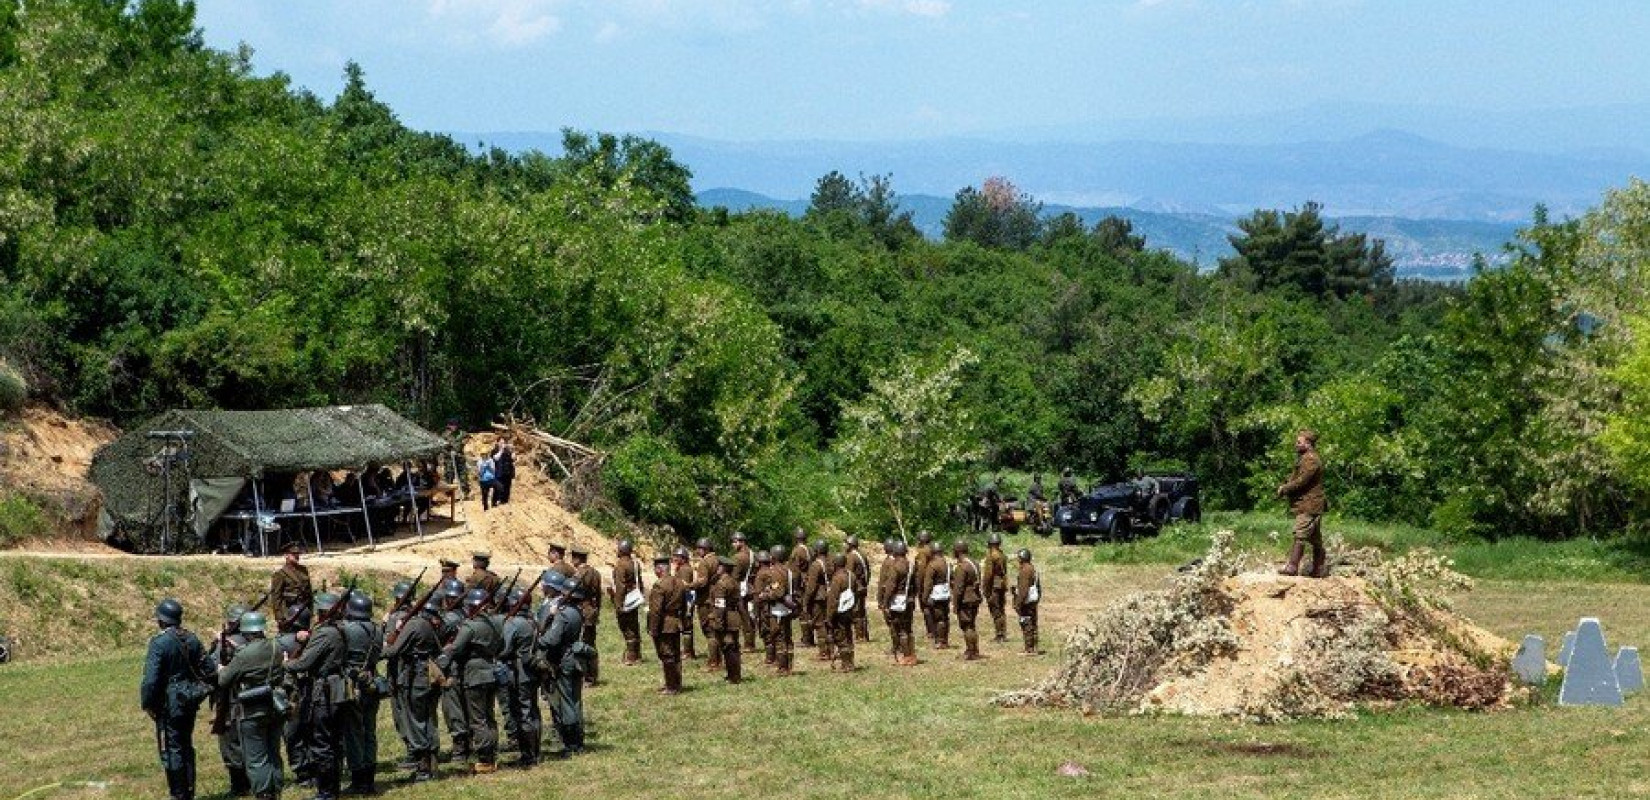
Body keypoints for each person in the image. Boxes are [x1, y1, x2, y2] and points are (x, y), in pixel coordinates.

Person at [141, 598, 212, 800]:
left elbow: (151, 681)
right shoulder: (192, 638)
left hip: (169, 705)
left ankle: (179, 794)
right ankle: (189, 790)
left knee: (171, 750)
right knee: (186, 745)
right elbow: (208, 669)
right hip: (190, 700)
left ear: (162, 620)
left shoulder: (159, 643)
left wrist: (148, 704)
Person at [216, 611, 284, 800]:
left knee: (256, 757)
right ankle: (276, 790)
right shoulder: (275, 647)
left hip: (252, 709)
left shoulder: (244, 654)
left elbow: (223, 680)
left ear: (246, 632)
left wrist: (221, 669)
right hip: (275, 705)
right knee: (273, 753)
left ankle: (263, 794)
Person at [285, 592, 346, 800]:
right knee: (334, 741)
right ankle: (333, 788)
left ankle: (326, 791)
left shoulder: (324, 633)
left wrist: (286, 663)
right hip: (337, 689)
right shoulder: (339, 629)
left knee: (321, 742)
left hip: (323, 692)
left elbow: (304, 664)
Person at [442, 588, 503, 773]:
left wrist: (445, 652)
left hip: (474, 674)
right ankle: (491, 755)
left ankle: (485, 759)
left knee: (478, 719)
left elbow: (456, 649)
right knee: (489, 716)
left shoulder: (470, 626)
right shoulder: (495, 624)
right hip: (490, 671)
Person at [382, 598, 441, 782]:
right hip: (427, 676)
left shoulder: (414, 625)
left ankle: (423, 768)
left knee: (415, 721)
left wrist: (381, 649)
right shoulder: (427, 625)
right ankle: (432, 763)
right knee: (428, 720)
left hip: (415, 678)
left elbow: (394, 651)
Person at [536, 572, 587, 756]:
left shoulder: (564, 615)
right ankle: (578, 741)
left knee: (566, 703)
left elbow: (551, 640)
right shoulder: (576, 612)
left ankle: (571, 744)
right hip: (574, 658)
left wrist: (538, 640)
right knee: (575, 701)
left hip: (564, 660)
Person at [338, 592, 383, 795]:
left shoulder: (346, 630)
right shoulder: (377, 629)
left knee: (354, 733)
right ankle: (370, 779)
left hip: (353, 684)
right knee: (370, 732)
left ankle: (359, 781)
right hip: (372, 682)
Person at [207, 604, 251, 797]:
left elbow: (209, 668)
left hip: (230, 699)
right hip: (251, 696)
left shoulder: (226, 644)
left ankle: (239, 785)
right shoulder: (258, 641)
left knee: (230, 743)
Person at [1276, 428, 1329, 578]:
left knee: (1300, 533)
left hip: (1309, 505)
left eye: (1299, 442)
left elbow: (1302, 481)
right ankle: (1318, 569)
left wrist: (1285, 489)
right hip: (1311, 504)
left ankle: (1292, 566)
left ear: (1308, 443)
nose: (1296, 444)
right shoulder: (1306, 458)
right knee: (1314, 538)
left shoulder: (1311, 459)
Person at [647, 555, 687, 694]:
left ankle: (671, 686)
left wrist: (653, 629)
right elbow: (684, 606)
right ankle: (677, 683)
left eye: (655, 569)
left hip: (664, 624)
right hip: (675, 622)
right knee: (675, 655)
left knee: (666, 655)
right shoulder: (679, 582)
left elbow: (655, 611)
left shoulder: (659, 585)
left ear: (659, 569)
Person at [760, 544, 798, 676]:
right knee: (787, 637)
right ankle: (789, 665)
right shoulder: (788, 570)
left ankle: (783, 668)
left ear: (774, 557)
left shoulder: (776, 571)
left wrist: (765, 595)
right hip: (786, 609)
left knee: (779, 637)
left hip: (778, 610)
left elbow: (778, 593)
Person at [706, 556, 743, 683]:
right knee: (733, 647)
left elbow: (720, 606)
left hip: (726, 617)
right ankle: (734, 674)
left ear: (723, 568)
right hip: (734, 616)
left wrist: (718, 622)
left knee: (728, 647)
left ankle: (734, 677)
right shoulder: (733, 582)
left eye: (719, 566)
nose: (717, 568)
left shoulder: (721, 584)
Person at [881, 540, 917, 666]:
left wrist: (885, 603)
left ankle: (906, 656)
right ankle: (912, 655)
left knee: (901, 629)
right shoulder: (910, 565)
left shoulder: (896, 566)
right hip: (909, 600)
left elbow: (891, 586)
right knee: (908, 629)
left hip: (898, 601)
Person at [570, 546, 603, 685]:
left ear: (577, 558)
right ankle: (593, 675)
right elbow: (599, 595)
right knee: (591, 643)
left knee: (582, 644)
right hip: (592, 610)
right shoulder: (595, 573)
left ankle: (586, 676)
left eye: (573, 557)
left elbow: (574, 595)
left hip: (582, 610)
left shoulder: (579, 575)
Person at [610, 540, 645, 667]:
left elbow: (620, 586)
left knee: (626, 627)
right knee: (634, 625)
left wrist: (618, 604)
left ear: (622, 550)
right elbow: (639, 582)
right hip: (634, 598)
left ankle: (631, 656)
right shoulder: (635, 564)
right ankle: (638, 654)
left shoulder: (621, 565)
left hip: (625, 599)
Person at [269, 543, 313, 634]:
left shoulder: (303, 570)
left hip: (303, 611)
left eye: (298, 554)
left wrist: (311, 611)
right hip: (289, 612)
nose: (297, 556)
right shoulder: (280, 574)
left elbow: (309, 593)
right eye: (293, 554)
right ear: (286, 555)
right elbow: (276, 598)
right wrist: (280, 618)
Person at [952, 541, 984, 661]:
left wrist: (955, 604)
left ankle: (971, 652)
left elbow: (958, 588)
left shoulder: (962, 567)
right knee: (971, 624)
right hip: (974, 597)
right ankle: (973, 649)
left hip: (965, 599)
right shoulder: (974, 563)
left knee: (967, 626)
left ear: (958, 551)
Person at [693, 539, 721, 671]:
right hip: (716, 598)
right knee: (716, 629)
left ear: (704, 549)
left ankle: (714, 662)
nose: (697, 551)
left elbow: (702, 582)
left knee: (709, 631)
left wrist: (687, 586)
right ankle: (718, 659)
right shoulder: (718, 559)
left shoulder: (704, 562)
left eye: (699, 548)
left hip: (706, 600)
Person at [804, 540, 833, 662]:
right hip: (830, 595)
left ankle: (824, 652)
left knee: (819, 624)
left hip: (819, 597)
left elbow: (811, 587)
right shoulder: (831, 562)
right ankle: (832, 648)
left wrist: (806, 602)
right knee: (829, 623)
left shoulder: (816, 565)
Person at [826, 554, 855, 672]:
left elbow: (833, 600)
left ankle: (846, 664)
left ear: (836, 564)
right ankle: (851, 662)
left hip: (839, 611)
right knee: (848, 635)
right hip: (849, 609)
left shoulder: (837, 578)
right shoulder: (851, 576)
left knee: (841, 637)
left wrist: (829, 617)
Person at [731, 533, 758, 653]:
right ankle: (751, 641)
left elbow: (734, 577)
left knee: (744, 617)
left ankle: (749, 644)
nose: (733, 544)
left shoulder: (738, 557)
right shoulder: (752, 554)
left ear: (741, 542)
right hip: (751, 587)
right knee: (750, 615)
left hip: (740, 589)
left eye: (734, 541)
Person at [921, 542, 952, 649]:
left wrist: (925, 597)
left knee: (938, 618)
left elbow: (928, 584)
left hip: (936, 594)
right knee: (945, 618)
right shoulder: (946, 563)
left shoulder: (932, 565)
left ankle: (940, 641)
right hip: (946, 593)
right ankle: (945, 639)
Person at [671, 547, 699, 660]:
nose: (674, 558)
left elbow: (684, 586)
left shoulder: (685, 569)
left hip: (685, 600)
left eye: (677, 557)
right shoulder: (681, 568)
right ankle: (688, 650)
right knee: (684, 625)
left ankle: (688, 652)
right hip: (684, 599)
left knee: (686, 626)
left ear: (683, 558)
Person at [982, 533, 1010, 644]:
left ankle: (999, 635)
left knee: (996, 610)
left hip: (994, 586)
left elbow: (988, 574)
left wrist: (985, 589)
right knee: (1001, 610)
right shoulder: (1001, 555)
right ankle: (1002, 633)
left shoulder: (991, 556)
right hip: (1002, 584)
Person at [1014, 549, 1042, 656]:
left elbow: (1023, 589)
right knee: (1033, 623)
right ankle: (1033, 647)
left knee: (1027, 623)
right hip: (1033, 600)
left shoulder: (1025, 570)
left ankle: (1029, 649)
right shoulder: (1032, 568)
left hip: (1026, 601)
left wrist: (1018, 603)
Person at [788, 529, 813, 647]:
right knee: (808, 610)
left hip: (802, 584)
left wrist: (794, 587)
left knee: (804, 611)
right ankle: (809, 637)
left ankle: (807, 639)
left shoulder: (797, 551)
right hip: (809, 581)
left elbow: (796, 571)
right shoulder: (809, 549)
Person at [844, 536, 872, 643]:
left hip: (857, 588)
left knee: (856, 612)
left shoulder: (851, 557)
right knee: (861, 611)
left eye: (846, 544)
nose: (844, 546)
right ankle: (864, 634)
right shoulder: (862, 555)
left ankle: (861, 636)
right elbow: (868, 572)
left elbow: (849, 574)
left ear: (850, 545)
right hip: (862, 586)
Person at [750, 548, 776, 664]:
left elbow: (757, 595)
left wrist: (755, 612)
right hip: (773, 605)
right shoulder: (772, 571)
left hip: (764, 607)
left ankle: (770, 658)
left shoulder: (760, 574)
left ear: (759, 562)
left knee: (766, 631)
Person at [913, 531, 936, 644]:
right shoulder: (933, 550)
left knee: (926, 607)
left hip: (925, 583)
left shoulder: (923, 553)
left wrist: (919, 586)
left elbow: (921, 571)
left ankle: (931, 631)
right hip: (933, 582)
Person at [442, 420, 471, 500]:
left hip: (460, 458)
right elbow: (442, 447)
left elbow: (468, 437)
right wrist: (449, 452)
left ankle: (465, 493)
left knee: (463, 475)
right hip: (449, 460)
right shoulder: (445, 435)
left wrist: (463, 443)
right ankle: (448, 495)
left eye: (455, 425)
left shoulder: (462, 433)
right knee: (449, 476)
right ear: (449, 426)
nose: (454, 427)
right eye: (452, 425)